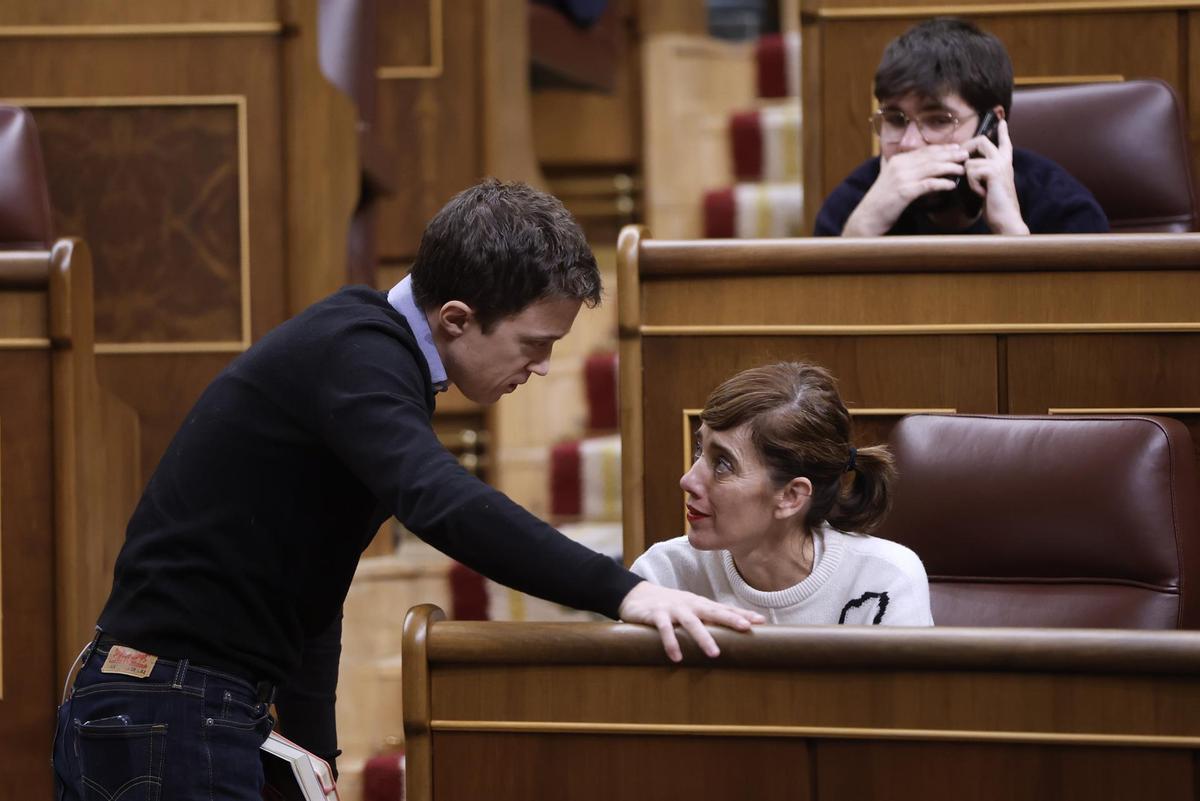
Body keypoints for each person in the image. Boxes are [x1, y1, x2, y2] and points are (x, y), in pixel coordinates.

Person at [52, 179, 763, 799]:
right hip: (165, 708)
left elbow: (313, 592)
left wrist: (316, 754)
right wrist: (623, 590)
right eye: (534, 344)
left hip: (180, 704)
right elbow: (441, 501)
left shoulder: (370, 359)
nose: (542, 368)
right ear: (456, 318)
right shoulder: (357, 351)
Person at [631, 362, 933, 626]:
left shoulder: (887, 579)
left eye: (723, 463)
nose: (688, 480)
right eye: (700, 449)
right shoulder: (664, 575)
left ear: (791, 496)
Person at [814, 17, 1109, 236]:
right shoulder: (853, 204)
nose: (909, 144)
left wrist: (1012, 234)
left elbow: (1084, 315)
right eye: (894, 119)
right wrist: (860, 232)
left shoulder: (1063, 207)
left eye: (939, 120)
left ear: (992, 123)